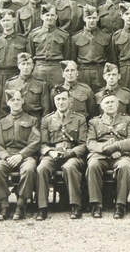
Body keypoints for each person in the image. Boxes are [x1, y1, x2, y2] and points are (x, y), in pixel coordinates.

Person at [36, 85, 88, 221]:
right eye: (58, 99)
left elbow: (84, 144)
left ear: (70, 100)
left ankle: (75, 206)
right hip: (53, 153)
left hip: (72, 154)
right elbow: (42, 144)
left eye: (64, 99)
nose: (61, 102)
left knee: (70, 167)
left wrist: (71, 153)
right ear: (54, 101)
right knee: (42, 168)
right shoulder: (47, 120)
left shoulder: (79, 119)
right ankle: (42, 207)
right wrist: (50, 152)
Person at [86, 90, 130, 219]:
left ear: (118, 104)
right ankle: (96, 204)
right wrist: (105, 148)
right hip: (101, 154)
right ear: (101, 106)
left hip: (121, 154)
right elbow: (90, 142)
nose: (110, 105)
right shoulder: (94, 122)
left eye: (112, 102)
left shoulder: (128, 119)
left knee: (124, 166)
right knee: (93, 165)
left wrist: (116, 147)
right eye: (106, 103)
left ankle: (120, 205)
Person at [0, 89, 40, 221]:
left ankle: (21, 203)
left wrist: (20, 155)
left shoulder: (32, 120)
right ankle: (4, 204)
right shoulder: (1, 122)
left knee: (29, 168)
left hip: (25, 155)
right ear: (8, 102)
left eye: (18, 99)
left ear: (23, 101)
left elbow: (35, 142)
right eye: (12, 100)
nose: (16, 102)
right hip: (7, 155)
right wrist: (7, 157)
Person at [27, 3, 70, 89]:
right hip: (39, 68)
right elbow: (30, 55)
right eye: (47, 15)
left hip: (57, 69)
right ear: (42, 17)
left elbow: (67, 56)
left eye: (52, 15)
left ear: (56, 17)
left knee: (58, 93)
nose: (49, 18)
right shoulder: (34, 34)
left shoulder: (64, 35)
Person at [71, 4, 111, 93]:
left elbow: (110, 58)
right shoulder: (76, 38)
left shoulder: (106, 37)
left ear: (97, 18)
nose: (91, 21)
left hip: (100, 71)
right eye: (89, 18)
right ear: (84, 19)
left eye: (94, 18)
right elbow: (73, 59)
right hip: (83, 72)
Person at [3, 52, 50, 119]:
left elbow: (46, 110)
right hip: (15, 119)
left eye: (28, 64)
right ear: (18, 66)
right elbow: (4, 108)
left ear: (32, 66)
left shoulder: (41, 84)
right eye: (23, 64)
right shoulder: (10, 83)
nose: (25, 67)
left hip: (35, 120)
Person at [0, 8, 28, 89]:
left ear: (14, 20)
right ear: (0, 22)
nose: (6, 23)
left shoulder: (23, 41)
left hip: (17, 75)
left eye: (8, 20)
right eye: (3, 21)